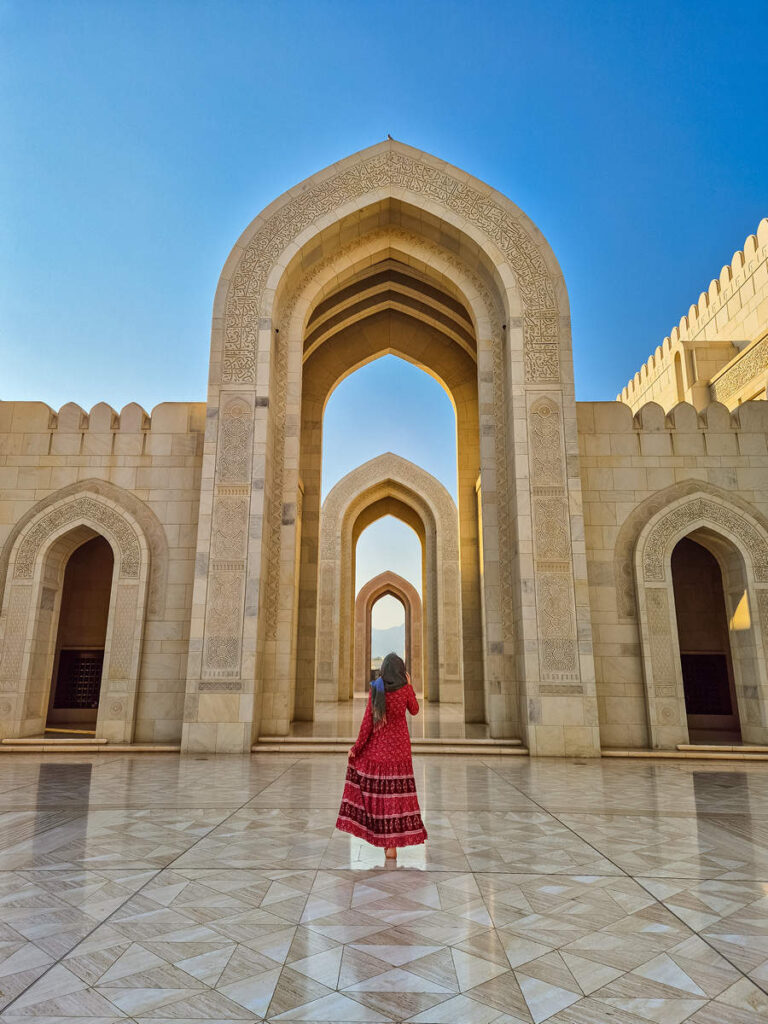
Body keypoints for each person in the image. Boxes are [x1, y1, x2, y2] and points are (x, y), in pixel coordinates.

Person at [335, 652, 427, 859]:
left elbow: (368, 722)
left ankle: (385, 840)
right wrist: (410, 686)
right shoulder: (404, 690)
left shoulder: (377, 688)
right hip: (400, 751)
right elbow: (414, 710)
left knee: (382, 796)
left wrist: (357, 748)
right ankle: (392, 844)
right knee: (396, 796)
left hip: (379, 751)